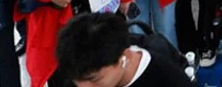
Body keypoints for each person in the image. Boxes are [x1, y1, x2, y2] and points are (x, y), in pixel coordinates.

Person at [55, 12, 195, 87]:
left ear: (125, 57)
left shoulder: (169, 80)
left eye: (95, 79)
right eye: (76, 81)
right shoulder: (78, 68)